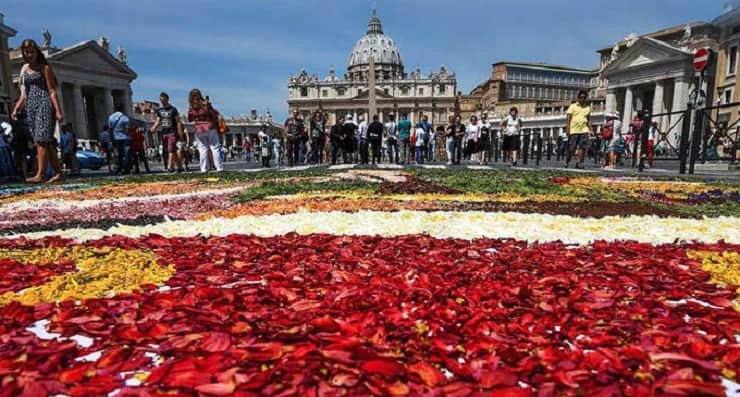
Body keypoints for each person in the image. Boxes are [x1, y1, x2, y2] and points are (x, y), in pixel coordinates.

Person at [11, 39, 64, 183]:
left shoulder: (44, 68)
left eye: (32, 52)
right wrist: (16, 109)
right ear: (23, 53)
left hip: (44, 103)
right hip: (31, 107)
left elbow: (52, 90)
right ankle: (59, 172)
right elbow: (24, 94)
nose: (29, 55)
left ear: (37, 52)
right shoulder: (25, 70)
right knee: (44, 141)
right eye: (26, 52)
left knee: (41, 139)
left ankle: (40, 174)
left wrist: (58, 111)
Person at [187, 89, 223, 172]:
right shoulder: (205, 104)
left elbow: (189, 119)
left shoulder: (191, 107)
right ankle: (219, 167)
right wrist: (209, 106)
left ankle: (203, 168)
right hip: (210, 127)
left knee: (202, 149)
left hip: (199, 129)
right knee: (215, 148)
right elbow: (214, 113)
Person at [150, 92, 184, 172]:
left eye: (163, 100)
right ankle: (179, 166)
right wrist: (154, 127)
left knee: (171, 149)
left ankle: (170, 167)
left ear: (167, 99)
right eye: (161, 100)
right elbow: (158, 120)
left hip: (172, 131)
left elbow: (178, 121)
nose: (162, 102)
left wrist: (180, 132)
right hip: (164, 132)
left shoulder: (173, 109)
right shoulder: (160, 110)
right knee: (172, 150)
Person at [566, 90, 593, 169]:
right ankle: (567, 161)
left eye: (584, 98)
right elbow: (568, 118)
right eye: (581, 97)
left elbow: (589, 119)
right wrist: (568, 129)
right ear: (578, 98)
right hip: (574, 130)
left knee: (582, 147)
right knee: (571, 148)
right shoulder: (573, 106)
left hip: (584, 130)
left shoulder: (587, 107)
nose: (582, 99)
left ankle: (579, 162)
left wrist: (590, 129)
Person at [108, 103, 132, 175]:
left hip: (116, 139)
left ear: (114, 109)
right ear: (122, 109)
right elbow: (128, 130)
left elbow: (110, 129)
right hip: (125, 138)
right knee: (127, 154)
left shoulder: (111, 117)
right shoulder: (125, 118)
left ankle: (118, 168)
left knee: (118, 154)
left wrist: (112, 139)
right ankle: (126, 169)